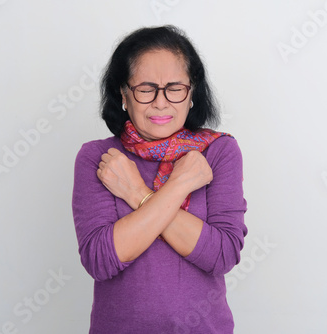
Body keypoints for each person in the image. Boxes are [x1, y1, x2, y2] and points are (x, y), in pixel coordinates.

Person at [72, 25, 247, 334]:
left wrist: (136, 192)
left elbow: (221, 254)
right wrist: (179, 184)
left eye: (175, 88)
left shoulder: (218, 152)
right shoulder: (100, 159)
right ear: (124, 94)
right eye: (145, 88)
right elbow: (101, 261)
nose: (161, 102)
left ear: (192, 92)